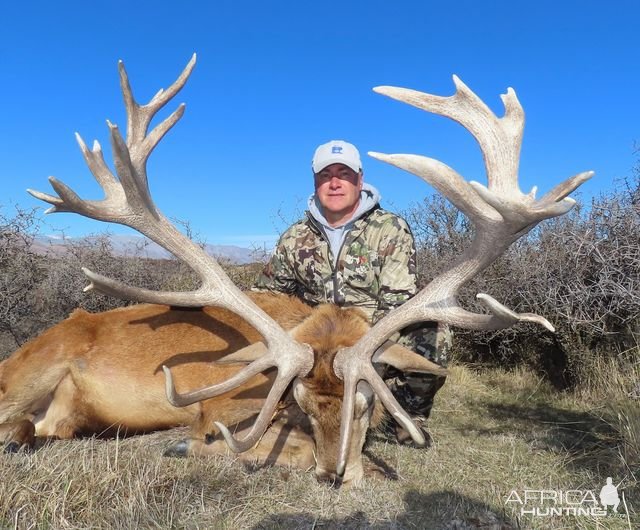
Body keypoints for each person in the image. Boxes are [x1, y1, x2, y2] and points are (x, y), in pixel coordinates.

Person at [253, 139, 450, 446]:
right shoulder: (295, 238)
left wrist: (360, 352)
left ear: (360, 179)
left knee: (431, 333)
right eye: (325, 175)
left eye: (343, 174)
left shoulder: (390, 229)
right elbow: (264, 295)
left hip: (370, 339)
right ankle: (295, 404)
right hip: (315, 348)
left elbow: (397, 303)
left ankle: (403, 415)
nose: (334, 183)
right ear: (315, 181)